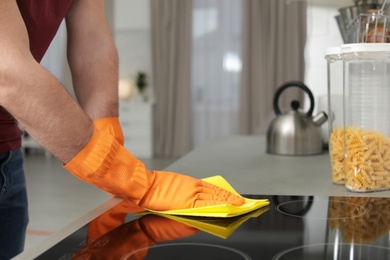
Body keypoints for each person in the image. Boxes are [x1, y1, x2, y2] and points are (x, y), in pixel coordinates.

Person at [0, 1, 244, 257]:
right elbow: (8, 73)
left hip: (9, 157)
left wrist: (109, 138)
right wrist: (130, 178)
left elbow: (92, 43)